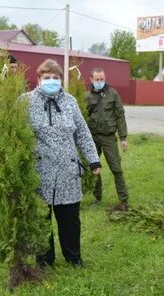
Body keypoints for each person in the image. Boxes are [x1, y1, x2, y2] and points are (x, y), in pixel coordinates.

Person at [23, 59, 102, 268]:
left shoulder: (70, 101)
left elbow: (83, 133)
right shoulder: (25, 101)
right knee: (42, 218)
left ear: (61, 80)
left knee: (70, 219)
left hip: (68, 169)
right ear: (38, 79)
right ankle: (44, 259)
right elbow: (15, 135)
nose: (51, 81)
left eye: (55, 77)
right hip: (39, 170)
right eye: (46, 77)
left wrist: (93, 159)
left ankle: (73, 257)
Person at [84, 67, 130, 211]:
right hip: (92, 137)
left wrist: (123, 137)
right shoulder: (86, 96)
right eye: (97, 79)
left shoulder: (113, 94)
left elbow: (120, 115)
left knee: (116, 169)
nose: (100, 82)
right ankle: (97, 197)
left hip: (109, 137)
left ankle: (124, 201)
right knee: (94, 168)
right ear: (91, 80)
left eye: (102, 79)